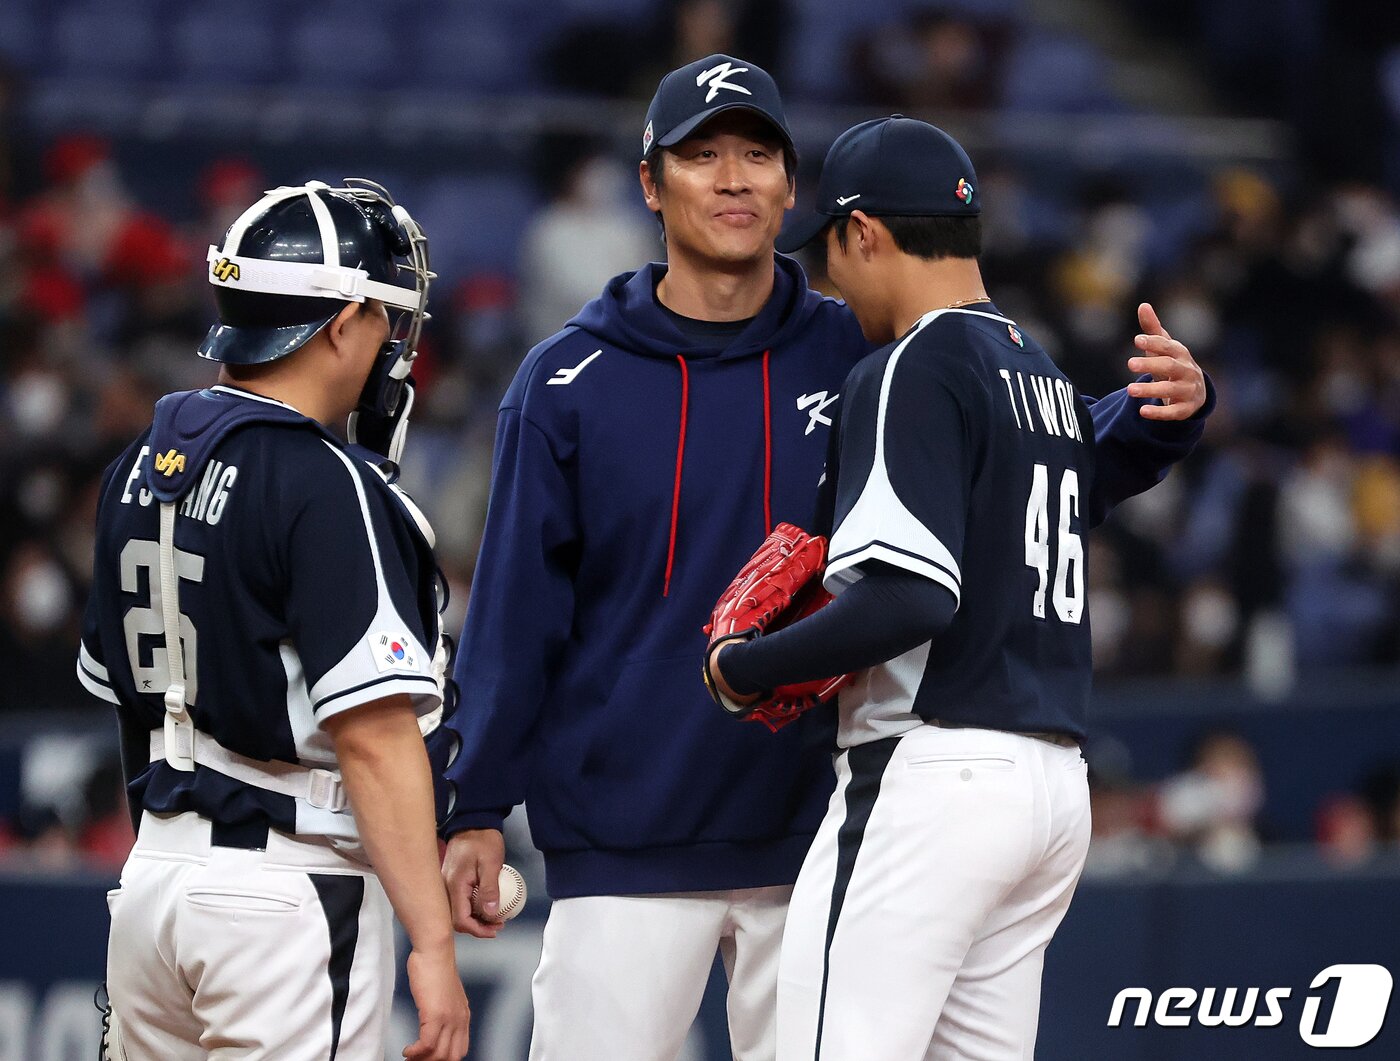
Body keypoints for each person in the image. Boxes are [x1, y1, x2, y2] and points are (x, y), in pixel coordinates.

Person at [439, 56, 1209, 1061]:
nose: (730, 178)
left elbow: (1005, 485)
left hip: (822, 822)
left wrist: (1144, 423)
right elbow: (513, 611)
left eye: (755, 153)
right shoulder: (567, 376)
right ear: (648, 183)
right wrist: (478, 801)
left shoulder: (867, 343)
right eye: (700, 154)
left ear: (794, 188)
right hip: (625, 831)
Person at [705, 116, 1213, 1059]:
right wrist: (1172, 421)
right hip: (1052, 790)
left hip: (931, 778)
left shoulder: (907, 364)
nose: (832, 282)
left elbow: (909, 598)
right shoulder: (1040, 369)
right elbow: (1087, 468)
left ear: (865, 233)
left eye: (834, 254)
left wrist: (749, 664)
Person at [76, 180, 471, 1061]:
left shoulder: (135, 466)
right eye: (383, 321)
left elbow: (128, 713)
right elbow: (373, 737)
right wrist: (433, 943)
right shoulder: (328, 482)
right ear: (341, 324)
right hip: (288, 886)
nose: (392, 350)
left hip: (152, 883)